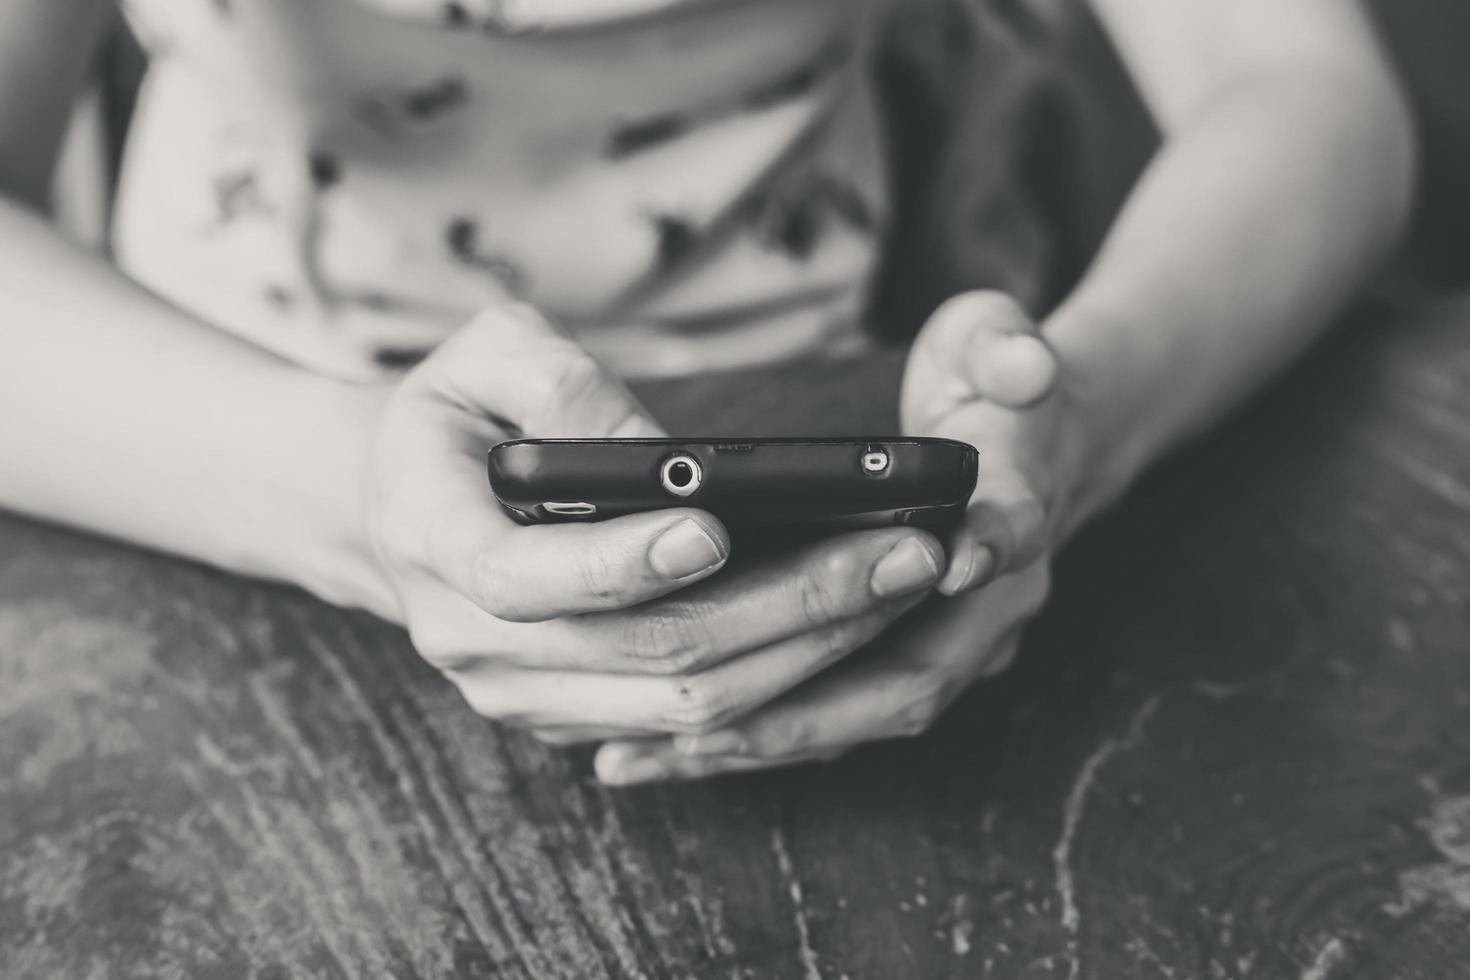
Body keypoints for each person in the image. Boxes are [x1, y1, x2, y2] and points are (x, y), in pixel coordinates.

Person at [0, 0, 1414, 783]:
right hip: (182, 445)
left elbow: (1298, 82)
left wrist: (1089, 404)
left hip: (831, 407)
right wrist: (342, 487)